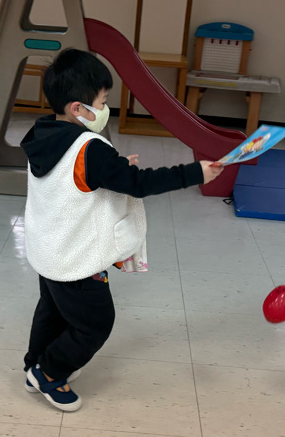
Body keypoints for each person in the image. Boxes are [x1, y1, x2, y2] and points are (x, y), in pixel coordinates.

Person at [20, 49, 224, 411]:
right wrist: (195, 173)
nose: (105, 108)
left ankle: (33, 366)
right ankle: (49, 372)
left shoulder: (44, 134)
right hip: (76, 258)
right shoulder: (90, 149)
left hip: (48, 250)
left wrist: (110, 168)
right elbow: (139, 183)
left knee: (52, 311)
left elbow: (72, 179)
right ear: (77, 108)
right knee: (95, 323)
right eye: (101, 102)